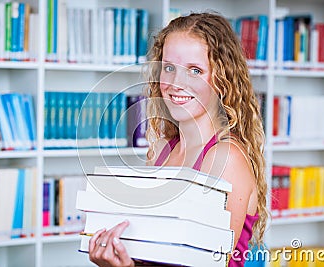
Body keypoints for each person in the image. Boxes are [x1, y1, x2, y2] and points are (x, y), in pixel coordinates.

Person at [88, 12, 268, 267]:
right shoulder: (161, 151)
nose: (176, 83)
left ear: (222, 79)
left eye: (195, 71)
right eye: (169, 68)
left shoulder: (225, 158)